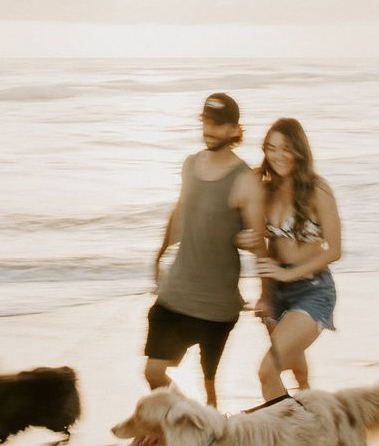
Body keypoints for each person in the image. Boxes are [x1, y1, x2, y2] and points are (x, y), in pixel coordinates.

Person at [144, 93, 265, 408]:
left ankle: (205, 424)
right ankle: (193, 418)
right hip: (177, 292)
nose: (209, 129)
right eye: (206, 122)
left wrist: (266, 294)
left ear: (234, 129)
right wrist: (159, 255)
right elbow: (180, 212)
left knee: (209, 386)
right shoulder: (190, 164)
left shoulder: (244, 181)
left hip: (216, 304)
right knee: (154, 373)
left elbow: (259, 244)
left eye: (218, 124)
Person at [238, 118, 341, 401]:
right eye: (271, 148)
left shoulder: (318, 190)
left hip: (313, 289)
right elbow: (264, 247)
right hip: (277, 290)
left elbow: (334, 250)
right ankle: (306, 404)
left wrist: (288, 275)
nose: (278, 156)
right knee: (295, 369)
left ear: (299, 150)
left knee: (267, 371)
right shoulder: (266, 190)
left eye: (285, 149)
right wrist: (264, 291)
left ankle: (288, 430)